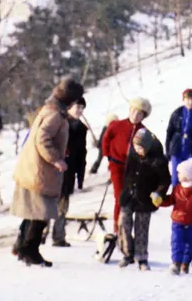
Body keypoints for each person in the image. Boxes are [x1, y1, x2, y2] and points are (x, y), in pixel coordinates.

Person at [10, 77, 85, 268]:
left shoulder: (48, 109)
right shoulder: (56, 115)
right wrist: (56, 159)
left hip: (33, 169)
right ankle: (30, 251)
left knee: (35, 212)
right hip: (41, 172)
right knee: (41, 214)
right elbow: (43, 139)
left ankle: (23, 248)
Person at [97, 97, 152, 234]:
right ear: (129, 110)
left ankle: (126, 228)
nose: (135, 115)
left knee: (129, 199)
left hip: (132, 169)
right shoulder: (117, 125)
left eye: (140, 114)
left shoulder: (144, 132)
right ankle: (118, 229)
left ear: (143, 116)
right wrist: (108, 155)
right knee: (120, 197)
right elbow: (106, 138)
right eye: (134, 111)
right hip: (117, 166)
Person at [118, 127, 171, 269]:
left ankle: (141, 258)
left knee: (141, 227)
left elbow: (165, 180)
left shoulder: (158, 160)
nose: (138, 150)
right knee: (123, 222)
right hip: (129, 194)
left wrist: (159, 193)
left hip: (146, 197)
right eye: (135, 147)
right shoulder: (133, 153)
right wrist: (126, 188)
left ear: (147, 147)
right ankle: (127, 253)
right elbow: (127, 172)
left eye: (140, 148)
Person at [153, 156, 192, 274]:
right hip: (178, 221)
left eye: (179, 173)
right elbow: (171, 200)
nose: (177, 175)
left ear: (187, 175)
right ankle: (176, 263)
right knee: (176, 241)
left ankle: (186, 263)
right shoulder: (177, 189)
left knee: (190, 245)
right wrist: (160, 201)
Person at [52, 97, 90, 248]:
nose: (79, 111)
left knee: (62, 206)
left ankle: (58, 236)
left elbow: (82, 154)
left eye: (82, 108)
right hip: (54, 170)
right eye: (77, 107)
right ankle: (38, 236)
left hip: (69, 172)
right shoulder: (59, 122)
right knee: (46, 205)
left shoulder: (81, 128)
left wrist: (80, 177)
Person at [165, 87, 192, 185]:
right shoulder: (176, 113)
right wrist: (167, 151)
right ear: (183, 100)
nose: (190, 102)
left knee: (188, 179)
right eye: (187, 99)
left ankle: (188, 200)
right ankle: (175, 199)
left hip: (190, 152)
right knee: (175, 179)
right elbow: (169, 133)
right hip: (177, 150)